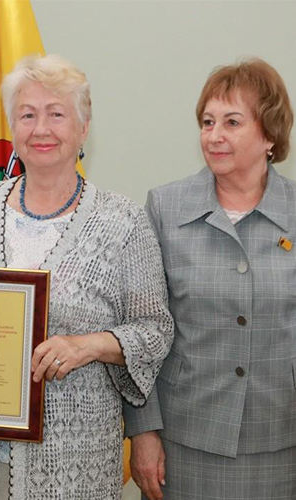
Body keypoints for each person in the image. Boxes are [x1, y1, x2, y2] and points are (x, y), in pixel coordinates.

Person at [0, 54, 174, 499]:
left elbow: (154, 330)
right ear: (13, 127)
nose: (41, 129)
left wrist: (87, 345)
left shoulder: (123, 220)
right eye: (27, 115)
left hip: (74, 460)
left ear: (83, 127)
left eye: (56, 114)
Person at [124, 58, 296, 500]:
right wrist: (143, 431)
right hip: (183, 441)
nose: (214, 135)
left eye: (232, 122)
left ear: (270, 135)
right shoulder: (165, 207)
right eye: (207, 122)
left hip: (282, 439)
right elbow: (141, 328)